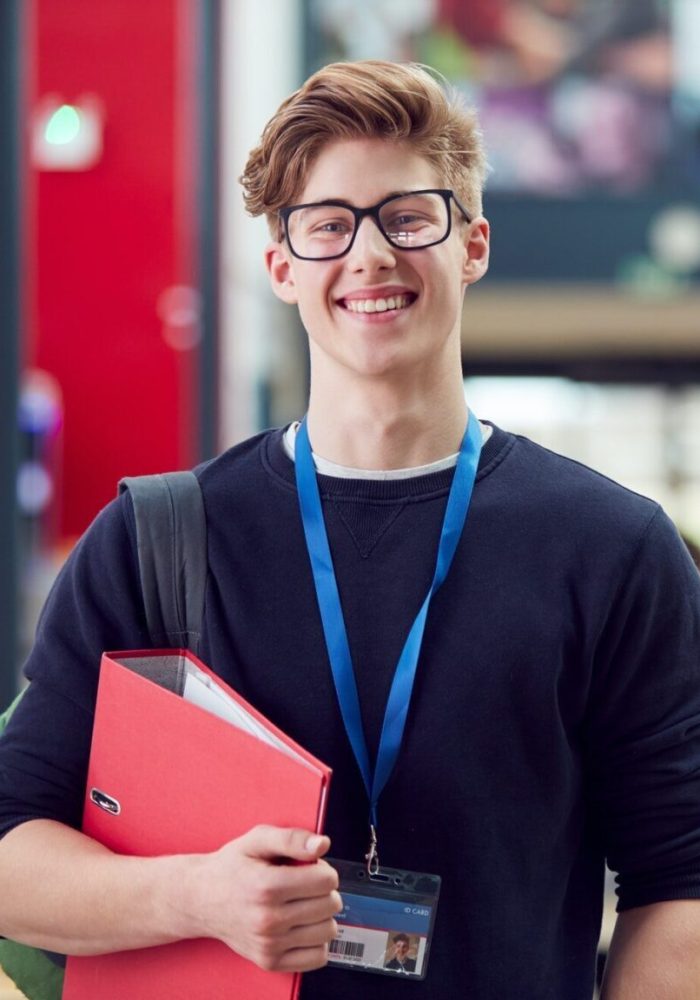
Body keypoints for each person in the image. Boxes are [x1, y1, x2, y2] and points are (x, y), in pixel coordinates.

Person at [1, 59, 700, 1000]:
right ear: (283, 267)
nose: (369, 255)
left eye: (409, 217)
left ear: (474, 244)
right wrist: (196, 897)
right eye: (328, 226)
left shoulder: (612, 549)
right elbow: (13, 850)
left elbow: (680, 884)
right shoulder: (157, 540)